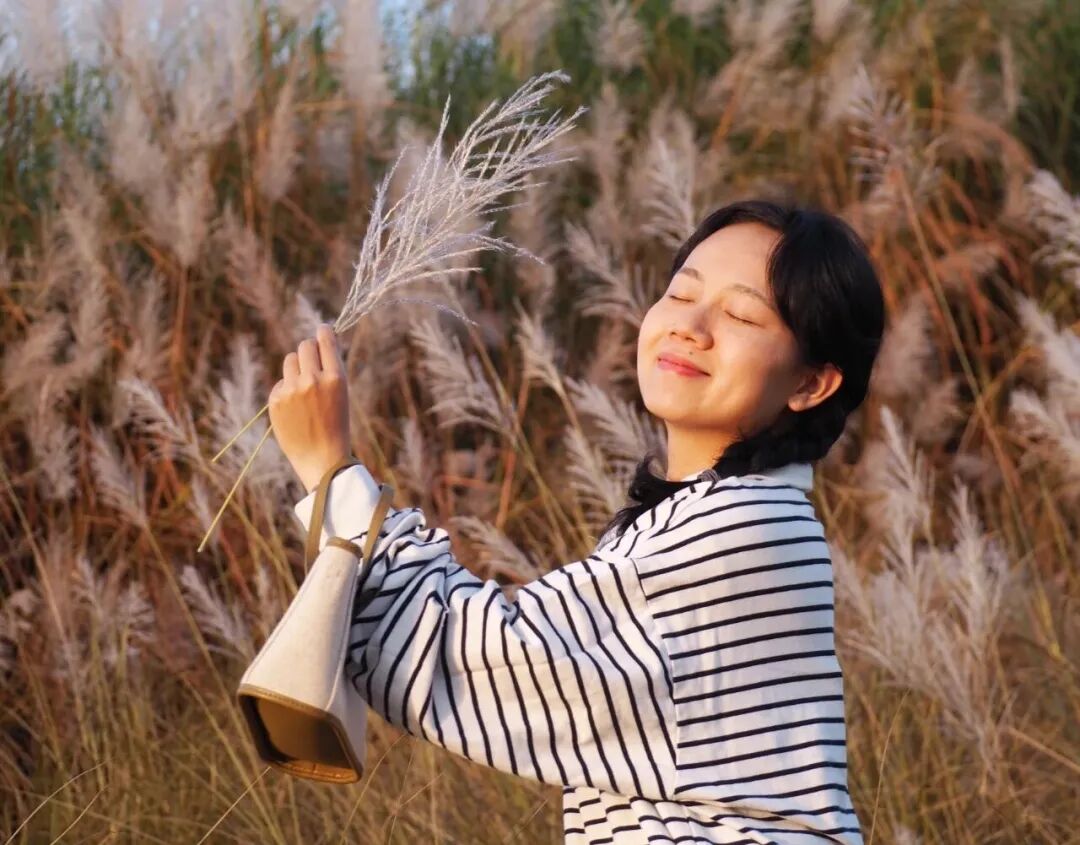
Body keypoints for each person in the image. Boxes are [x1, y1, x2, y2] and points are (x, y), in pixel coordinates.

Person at [268, 199, 886, 844]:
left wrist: (330, 472)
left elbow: (471, 660)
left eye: (740, 315)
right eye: (680, 294)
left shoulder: (740, 531)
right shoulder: (720, 518)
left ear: (812, 384)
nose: (690, 327)